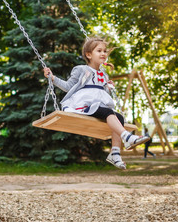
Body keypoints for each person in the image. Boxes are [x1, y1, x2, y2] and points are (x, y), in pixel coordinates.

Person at [43, 37, 150, 170]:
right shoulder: (81, 69)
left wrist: (108, 87)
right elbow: (68, 86)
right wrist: (52, 78)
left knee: (119, 117)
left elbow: (102, 94)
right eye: (99, 51)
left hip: (97, 104)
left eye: (105, 51)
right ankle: (127, 137)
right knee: (107, 112)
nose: (103, 53)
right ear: (88, 54)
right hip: (84, 104)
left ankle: (115, 153)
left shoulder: (104, 74)